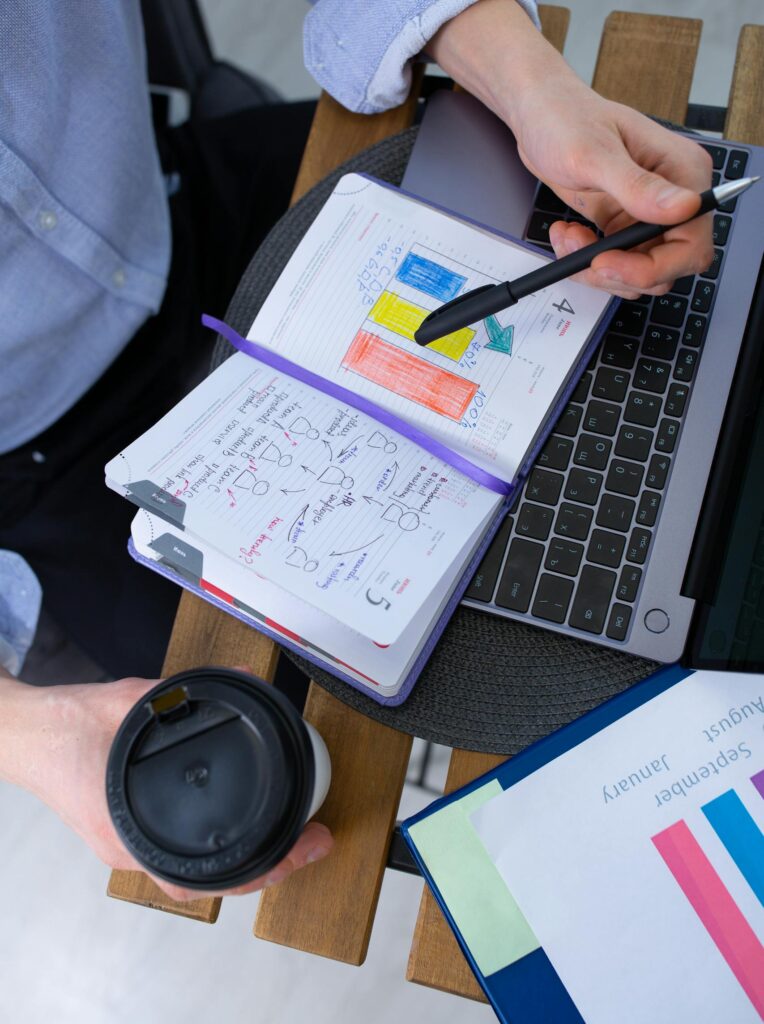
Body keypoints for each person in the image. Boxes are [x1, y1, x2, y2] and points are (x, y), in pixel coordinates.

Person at [0, 0, 712, 901]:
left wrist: (523, 82)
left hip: (183, 207)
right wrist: (22, 731)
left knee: (629, 378)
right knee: (298, 708)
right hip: (43, 460)